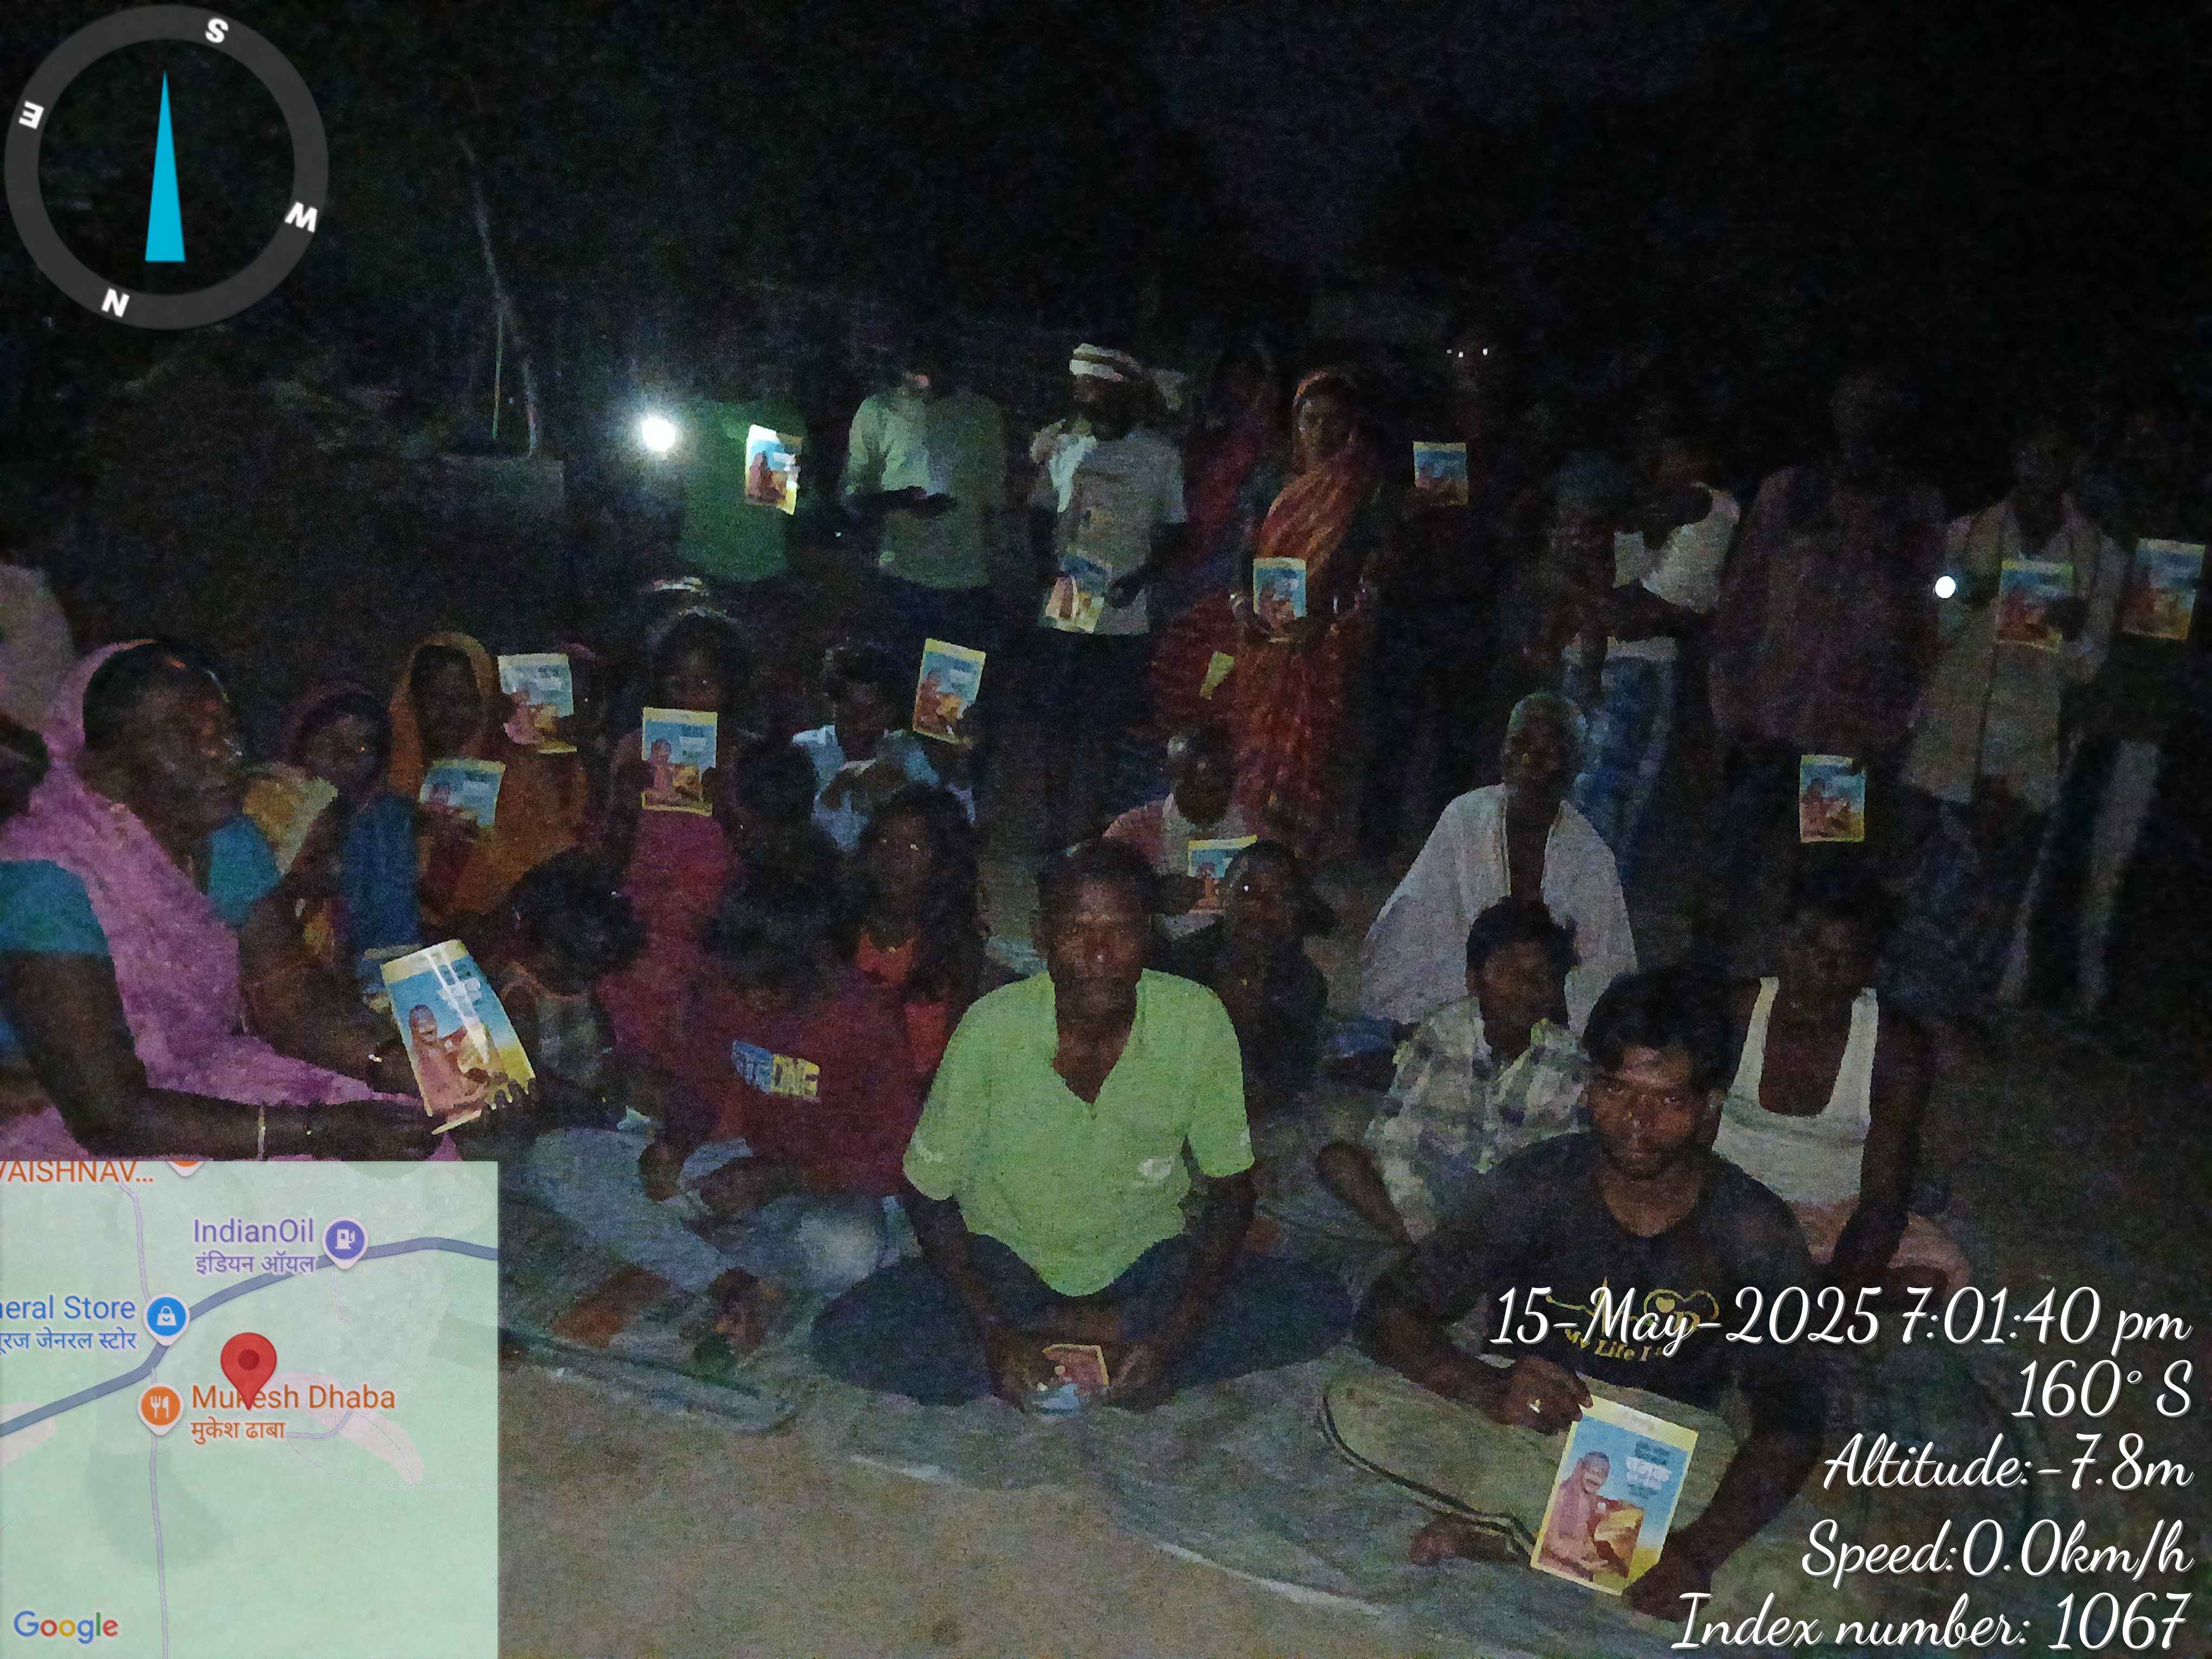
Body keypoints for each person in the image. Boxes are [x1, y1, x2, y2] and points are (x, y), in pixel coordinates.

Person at [1355, 968, 1827, 1621]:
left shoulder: (1754, 1229)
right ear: (1590, 1089)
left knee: (1789, 1544)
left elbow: (1793, 1416)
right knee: (1359, 1406)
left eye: (1668, 1100)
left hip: (1660, 1449)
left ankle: (1520, 1532)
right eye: (1615, 1090)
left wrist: (1698, 1549)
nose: (1637, 1121)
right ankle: (1581, 1545)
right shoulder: (1538, 1184)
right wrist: (1485, 1386)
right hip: (1525, 1422)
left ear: (1710, 1109)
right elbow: (1389, 1309)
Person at [811, 839, 1350, 1409]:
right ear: (1041, 936)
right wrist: (995, 1331)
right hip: (1007, 1262)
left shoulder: (1195, 1018)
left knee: (1320, 1304)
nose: (1098, 956)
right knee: (845, 1334)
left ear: (1150, 935)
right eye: (1076, 931)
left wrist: (1172, 1337)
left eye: (1121, 932)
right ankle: (1081, 1349)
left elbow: (1232, 1190)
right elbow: (925, 1193)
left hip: (1145, 1262)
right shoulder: (992, 1028)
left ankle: (1083, 1347)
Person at [0, 644, 440, 1160]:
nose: (226, 755)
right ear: (100, 764)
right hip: (62, 1121)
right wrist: (317, 1131)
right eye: (183, 735)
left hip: (190, 1081)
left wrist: (404, 1066)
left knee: (415, 1126)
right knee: (333, 1165)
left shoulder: (229, 841)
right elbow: (110, 1115)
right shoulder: (45, 880)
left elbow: (291, 1000)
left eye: (225, 731)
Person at [526, 877, 919, 1351]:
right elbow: (702, 1083)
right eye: (740, 984)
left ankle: (704, 1252)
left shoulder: (865, 1019)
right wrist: (675, 1145)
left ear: (815, 965)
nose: (751, 1000)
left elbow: (897, 1157)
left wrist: (786, 1177)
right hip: (740, 1162)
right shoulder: (728, 987)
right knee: (555, 1160)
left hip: (825, 1188)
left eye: (766, 987)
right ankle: (732, 1280)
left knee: (848, 1252)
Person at [1891, 415, 2124, 1018]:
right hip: (1950, 737)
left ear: (2074, 465)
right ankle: (1900, 1012)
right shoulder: (1968, 532)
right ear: (2016, 457)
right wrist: (1963, 596)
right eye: (2032, 453)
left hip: (2027, 750)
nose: (2042, 468)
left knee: (1991, 898)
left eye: (2056, 456)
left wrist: (2074, 631)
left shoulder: (2100, 556)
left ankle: (1958, 1016)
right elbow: (1934, 628)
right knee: (1919, 882)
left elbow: (2089, 669)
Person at [1706, 368, 1946, 949]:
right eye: (1856, 406)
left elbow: (1920, 623)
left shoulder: (1911, 511)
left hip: (1848, 730)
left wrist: (1894, 721)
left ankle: (1802, 990)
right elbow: (1742, 599)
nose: (1864, 421)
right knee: (1730, 869)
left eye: (1877, 409)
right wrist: (1730, 699)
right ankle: (1703, 982)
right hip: (1767, 718)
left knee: (1822, 881)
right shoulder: (1791, 493)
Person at [2036, 394, 2209, 1018]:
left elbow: (2154, 638)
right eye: (2135, 439)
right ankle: (2032, 979)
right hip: (2067, 710)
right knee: (2046, 846)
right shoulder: (2078, 521)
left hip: (2131, 720)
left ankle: (2089, 989)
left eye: (2156, 442)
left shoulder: (2170, 530)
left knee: (2110, 862)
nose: (2144, 454)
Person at [1720, 872, 1968, 1295]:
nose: (1821, 970)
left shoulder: (1894, 1044)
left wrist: (1839, 1300)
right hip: (1728, 1199)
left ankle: (1785, 1288)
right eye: (1809, 947)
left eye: (1844, 957)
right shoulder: (1736, 1012)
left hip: (1830, 1212)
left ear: (1870, 967)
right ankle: (1779, 1288)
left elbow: (1884, 1196)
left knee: (1931, 1279)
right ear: (1782, 942)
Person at [1360, 311, 1546, 856]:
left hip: (1474, 601)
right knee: (1393, 728)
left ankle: (1442, 850)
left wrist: (1510, 521)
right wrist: (1403, 506)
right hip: (1411, 596)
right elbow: (1378, 506)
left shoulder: (1517, 442)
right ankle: (1375, 844)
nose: (1473, 366)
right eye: (1463, 354)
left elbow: (1529, 528)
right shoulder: (1420, 428)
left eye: (1485, 355)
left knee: (1459, 736)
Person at [1359, 692, 1635, 1033]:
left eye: (1549, 752)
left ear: (1575, 766)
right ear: (1502, 749)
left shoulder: (1591, 856)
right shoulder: (1465, 817)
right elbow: (1416, 925)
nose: (1529, 760)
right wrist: (1489, 984)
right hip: (1459, 989)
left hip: (1545, 1007)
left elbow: (1605, 966)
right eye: (1519, 743)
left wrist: (1537, 994)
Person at [1320, 898, 1587, 1244]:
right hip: (1435, 1181)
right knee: (1338, 1161)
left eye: (1541, 976)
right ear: (1474, 980)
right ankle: (1427, 1248)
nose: (1525, 987)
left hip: (1508, 1200)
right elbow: (1394, 1137)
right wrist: (1420, 1222)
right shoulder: (1443, 1032)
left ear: (1556, 990)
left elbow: (1560, 1166)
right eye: (1508, 971)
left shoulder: (1568, 1062)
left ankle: (1440, 1254)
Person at [1215, 370, 1394, 860]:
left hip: (1326, 646)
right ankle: (1251, 853)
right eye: (1311, 420)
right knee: (1256, 744)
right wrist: (1241, 605)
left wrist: (1330, 620)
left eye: (1335, 421)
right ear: (1295, 422)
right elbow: (1243, 555)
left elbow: (1374, 572)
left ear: (1352, 426)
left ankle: (1296, 863)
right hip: (1263, 643)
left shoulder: (1363, 491)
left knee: (1313, 754)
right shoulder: (1270, 481)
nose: (1321, 432)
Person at [1028, 344, 1188, 847]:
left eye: (1093, 388)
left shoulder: (1158, 456)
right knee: (1058, 719)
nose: (1083, 397)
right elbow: (1039, 511)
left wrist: (1141, 577)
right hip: (1072, 595)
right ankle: (1054, 826)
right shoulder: (1063, 445)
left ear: (1121, 394)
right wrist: (1046, 568)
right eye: (1080, 388)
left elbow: (1175, 529)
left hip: (1124, 603)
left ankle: (1090, 832)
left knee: (1104, 726)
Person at [1568, 435, 1741, 883]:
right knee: (1593, 787)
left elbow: (1640, 616)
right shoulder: (1648, 511)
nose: (1663, 466)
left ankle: (1595, 899)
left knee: (1610, 790)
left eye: (1672, 454)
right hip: (1812, 712)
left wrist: (1588, 582)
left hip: (1642, 664)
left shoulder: (1707, 506)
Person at [595, 609, 753, 1056]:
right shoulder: (635, 748)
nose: (688, 699)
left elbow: (766, 864)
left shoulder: (749, 757)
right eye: (677, 684)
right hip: (636, 935)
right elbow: (609, 863)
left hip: (714, 941)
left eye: (703, 685)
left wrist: (727, 808)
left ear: (730, 688)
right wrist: (625, 808)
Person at [386, 632, 589, 935]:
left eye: (462, 700)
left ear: (483, 701)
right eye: (434, 698)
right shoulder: (386, 770)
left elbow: (543, 860)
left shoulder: (517, 775)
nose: (447, 713)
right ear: (413, 700)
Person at [840, 330, 1008, 693]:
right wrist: (902, 501)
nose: (926, 381)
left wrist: (997, 570)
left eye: (935, 369)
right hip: (900, 578)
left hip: (964, 582)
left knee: (947, 704)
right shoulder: (878, 411)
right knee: (893, 694)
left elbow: (994, 500)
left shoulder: (982, 415)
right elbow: (854, 498)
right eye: (916, 372)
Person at [668, 331, 812, 735]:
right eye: (720, 344)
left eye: (738, 345)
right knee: (693, 688)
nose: (729, 355)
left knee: (754, 690)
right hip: (698, 571)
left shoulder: (776, 418)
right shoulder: (686, 417)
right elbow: (661, 495)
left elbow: (777, 504)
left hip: (761, 576)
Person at [258, 683, 421, 991]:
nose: (345, 759)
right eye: (329, 743)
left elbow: (395, 938)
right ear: (300, 743)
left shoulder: (387, 823)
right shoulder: (264, 806)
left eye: (363, 749)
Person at [484, 850, 646, 1133]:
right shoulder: (522, 997)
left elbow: (603, 1038)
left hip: (589, 1107)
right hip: (552, 1123)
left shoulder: (577, 979)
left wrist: (614, 1075)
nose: (594, 974)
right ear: (554, 945)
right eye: (591, 962)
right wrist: (592, 1101)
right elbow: (529, 1078)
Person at [1166, 841, 1332, 1116]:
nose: (1262, 907)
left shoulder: (1305, 984)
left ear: (1295, 912)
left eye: (1281, 897)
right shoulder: (1180, 965)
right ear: (1223, 896)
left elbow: (1291, 1084)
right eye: (1247, 890)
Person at [851, 784, 992, 1089]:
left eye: (914, 847)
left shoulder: (954, 947)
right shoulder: (845, 929)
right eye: (885, 841)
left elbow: (955, 1060)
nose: (895, 857)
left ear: (944, 861)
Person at [790, 642, 970, 853]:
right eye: (852, 712)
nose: (861, 724)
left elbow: (958, 829)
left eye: (873, 712)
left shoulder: (909, 754)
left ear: (891, 711)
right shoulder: (806, 750)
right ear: (833, 705)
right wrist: (841, 784)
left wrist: (957, 767)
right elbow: (795, 833)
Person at [1102, 722, 1252, 942]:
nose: (1205, 800)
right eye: (1192, 787)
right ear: (1170, 777)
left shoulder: (1254, 829)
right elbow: (1094, 880)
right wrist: (1152, 894)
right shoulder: (1135, 830)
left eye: (1216, 788)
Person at [1539, 1451, 1632, 1581]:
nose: (1595, 1479)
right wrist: (1583, 1564)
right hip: (1554, 1571)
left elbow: (1586, 1537)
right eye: (1592, 1472)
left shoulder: (1591, 1501)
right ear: (1582, 1469)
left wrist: (1596, 1556)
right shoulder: (1561, 1496)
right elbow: (1551, 1543)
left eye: (1602, 1476)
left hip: (1583, 1574)